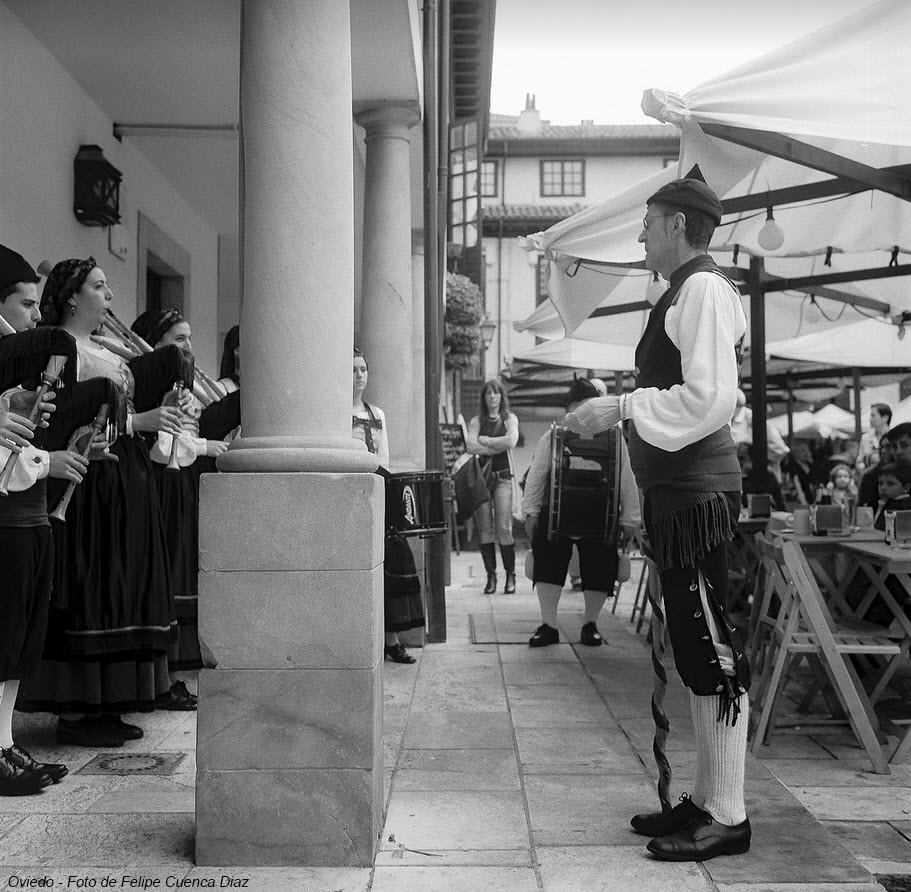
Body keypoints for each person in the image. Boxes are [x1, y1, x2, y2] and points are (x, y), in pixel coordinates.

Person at [562, 167, 752, 861]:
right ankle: (706, 799)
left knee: (711, 646)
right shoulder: (685, 289)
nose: (640, 236)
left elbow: (711, 399)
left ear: (677, 224)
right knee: (696, 646)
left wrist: (619, 406)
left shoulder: (702, 288)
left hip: (696, 496)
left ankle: (728, 815)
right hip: (681, 498)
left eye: (646, 224)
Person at [18, 258, 183, 747]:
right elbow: (66, 415)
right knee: (93, 584)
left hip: (125, 473)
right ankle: (78, 709)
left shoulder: (106, 348)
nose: (109, 295)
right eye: (98, 286)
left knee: (121, 584)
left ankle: (108, 701)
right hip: (90, 478)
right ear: (72, 296)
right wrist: (138, 421)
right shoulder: (59, 347)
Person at [0, 245, 90, 794]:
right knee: (4, 636)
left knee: (18, 642)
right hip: (8, 516)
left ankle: (4, 741)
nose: (37, 315)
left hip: (28, 515)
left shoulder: (16, 361)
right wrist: (44, 460)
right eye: (27, 304)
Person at [131, 309, 230, 708]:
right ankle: (162, 675)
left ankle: (172, 672)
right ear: (154, 345)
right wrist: (203, 445)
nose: (188, 347)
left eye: (188, 338)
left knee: (181, 571)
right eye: (178, 339)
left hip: (180, 481)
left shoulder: (180, 384)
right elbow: (163, 444)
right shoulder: (145, 380)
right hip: (160, 481)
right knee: (166, 575)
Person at [522, 377, 639, 647]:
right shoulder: (553, 436)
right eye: (579, 406)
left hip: (601, 517)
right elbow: (537, 475)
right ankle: (548, 625)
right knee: (547, 563)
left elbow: (626, 478)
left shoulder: (614, 439)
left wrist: (630, 519)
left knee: (600, 566)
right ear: (570, 407)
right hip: (556, 515)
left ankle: (591, 624)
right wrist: (531, 512)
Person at [352, 347, 423, 664]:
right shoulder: (337, 416)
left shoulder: (377, 413)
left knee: (393, 563)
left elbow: (385, 459)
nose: (359, 376)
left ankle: (391, 641)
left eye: (363, 369)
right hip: (353, 494)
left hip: (380, 489)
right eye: (353, 370)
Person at [466, 380, 520, 594]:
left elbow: (511, 441)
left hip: (503, 478)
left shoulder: (509, 419)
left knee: (504, 527)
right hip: (482, 479)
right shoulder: (477, 420)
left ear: (501, 396)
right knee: (485, 529)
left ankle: (510, 575)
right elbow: (471, 445)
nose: (492, 397)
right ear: (484, 397)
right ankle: (491, 577)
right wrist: (497, 445)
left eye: (496, 393)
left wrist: (486, 441)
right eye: (488, 393)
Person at [738, 443, 786, 512]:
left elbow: (780, 506)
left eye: (742, 458)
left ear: (752, 459)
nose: (738, 462)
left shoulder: (768, 477)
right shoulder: (733, 477)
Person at [859, 433, 893, 508]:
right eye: (881, 447)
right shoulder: (870, 476)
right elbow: (864, 507)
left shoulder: (905, 472)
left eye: (888, 447)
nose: (883, 451)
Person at [873, 463, 911, 530]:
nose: (883, 488)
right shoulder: (884, 502)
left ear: (906, 488)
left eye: (890, 483)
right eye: (880, 483)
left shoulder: (903, 507)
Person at [859, 403, 892, 469]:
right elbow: (859, 462)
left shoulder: (895, 437)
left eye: (873, 416)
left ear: (885, 418)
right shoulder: (865, 438)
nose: (870, 419)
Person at [782, 440, 815, 505]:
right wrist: (804, 503)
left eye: (807, 449)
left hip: (812, 503)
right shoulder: (791, 467)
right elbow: (793, 488)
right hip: (798, 504)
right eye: (803, 450)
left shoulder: (810, 465)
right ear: (795, 453)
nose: (807, 452)